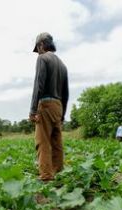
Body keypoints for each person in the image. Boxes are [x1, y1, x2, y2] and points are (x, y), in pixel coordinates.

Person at [29, 32, 69, 182]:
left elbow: (38, 86)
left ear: (41, 45)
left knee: (42, 140)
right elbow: (66, 93)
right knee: (56, 140)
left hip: (46, 104)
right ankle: (57, 171)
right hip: (58, 106)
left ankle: (46, 176)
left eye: (37, 48)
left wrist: (33, 110)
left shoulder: (42, 58)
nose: (37, 52)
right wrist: (62, 114)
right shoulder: (63, 65)